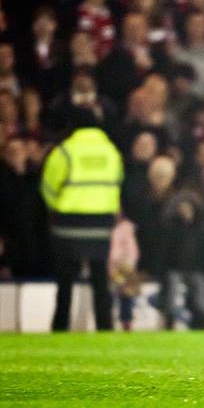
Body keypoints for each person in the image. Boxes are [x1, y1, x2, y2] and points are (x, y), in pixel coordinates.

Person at [41, 106, 123, 331]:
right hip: (101, 224)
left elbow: (48, 187)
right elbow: (117, 183)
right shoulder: (111, 152)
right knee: (100, 281)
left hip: (67, 224)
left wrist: (55, 208)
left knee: (65, 282)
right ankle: (105, 327)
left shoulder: (65, 151)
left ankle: (60, 327)